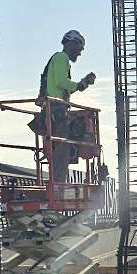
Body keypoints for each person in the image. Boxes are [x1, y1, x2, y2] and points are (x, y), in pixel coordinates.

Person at [37, 30, 96, 185]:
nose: (79, 53)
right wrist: (80, 84)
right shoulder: (61, 57)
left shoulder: (57, 59)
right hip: (55, 110)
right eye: (79, 48)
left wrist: (81, 84)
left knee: (60, 149)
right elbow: (61, 82)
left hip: (52, 111)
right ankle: (57, 186)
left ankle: (57, 183)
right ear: (71, 43)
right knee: (62, 150)